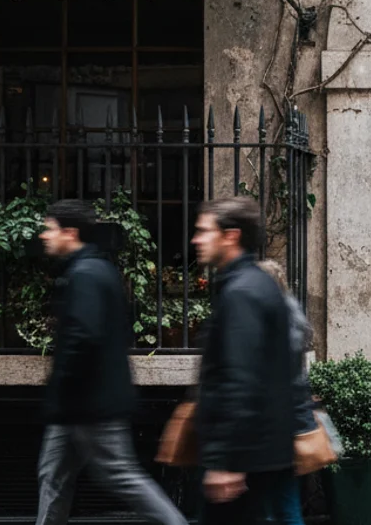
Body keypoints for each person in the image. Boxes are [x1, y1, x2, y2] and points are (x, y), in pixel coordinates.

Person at [36, 200, 187, 525]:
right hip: (79, 404)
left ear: (70, 232)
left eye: (49, 228)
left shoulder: (87, 274)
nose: (43, 236)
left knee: (122, 477)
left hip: (90, 404)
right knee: (53, 477)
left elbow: (83, 337)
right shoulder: (93, 269)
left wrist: (60, 389)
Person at [191, 196, 295, 523]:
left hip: (245, 458)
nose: (196, 239)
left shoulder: (241, 293)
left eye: (204, 231)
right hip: (263, 451)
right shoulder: (259, 284)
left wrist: (226, 462)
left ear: (231, 236)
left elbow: (240, 379)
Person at [256, 259, 316, 525]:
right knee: (285, 501)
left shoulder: (271, 321)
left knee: (276, 505)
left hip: (275, 425)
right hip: (291, 421)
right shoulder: (293, 315)